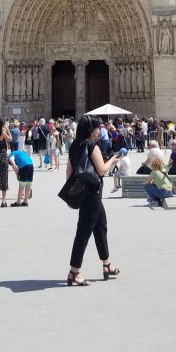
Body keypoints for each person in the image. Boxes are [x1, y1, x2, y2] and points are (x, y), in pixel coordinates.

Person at [65, 115, 121, 286]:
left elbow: (68, 171)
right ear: (91, 129)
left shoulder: (75, 145)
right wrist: (112, 160)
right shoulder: (91, 145)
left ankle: (107, 264)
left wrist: (71, 194)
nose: (100, 130)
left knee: (100, 226)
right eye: (98, 127)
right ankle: (74, 271)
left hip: (83, 193)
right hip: (93, 193)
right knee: (84, 231)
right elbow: (102, 170)